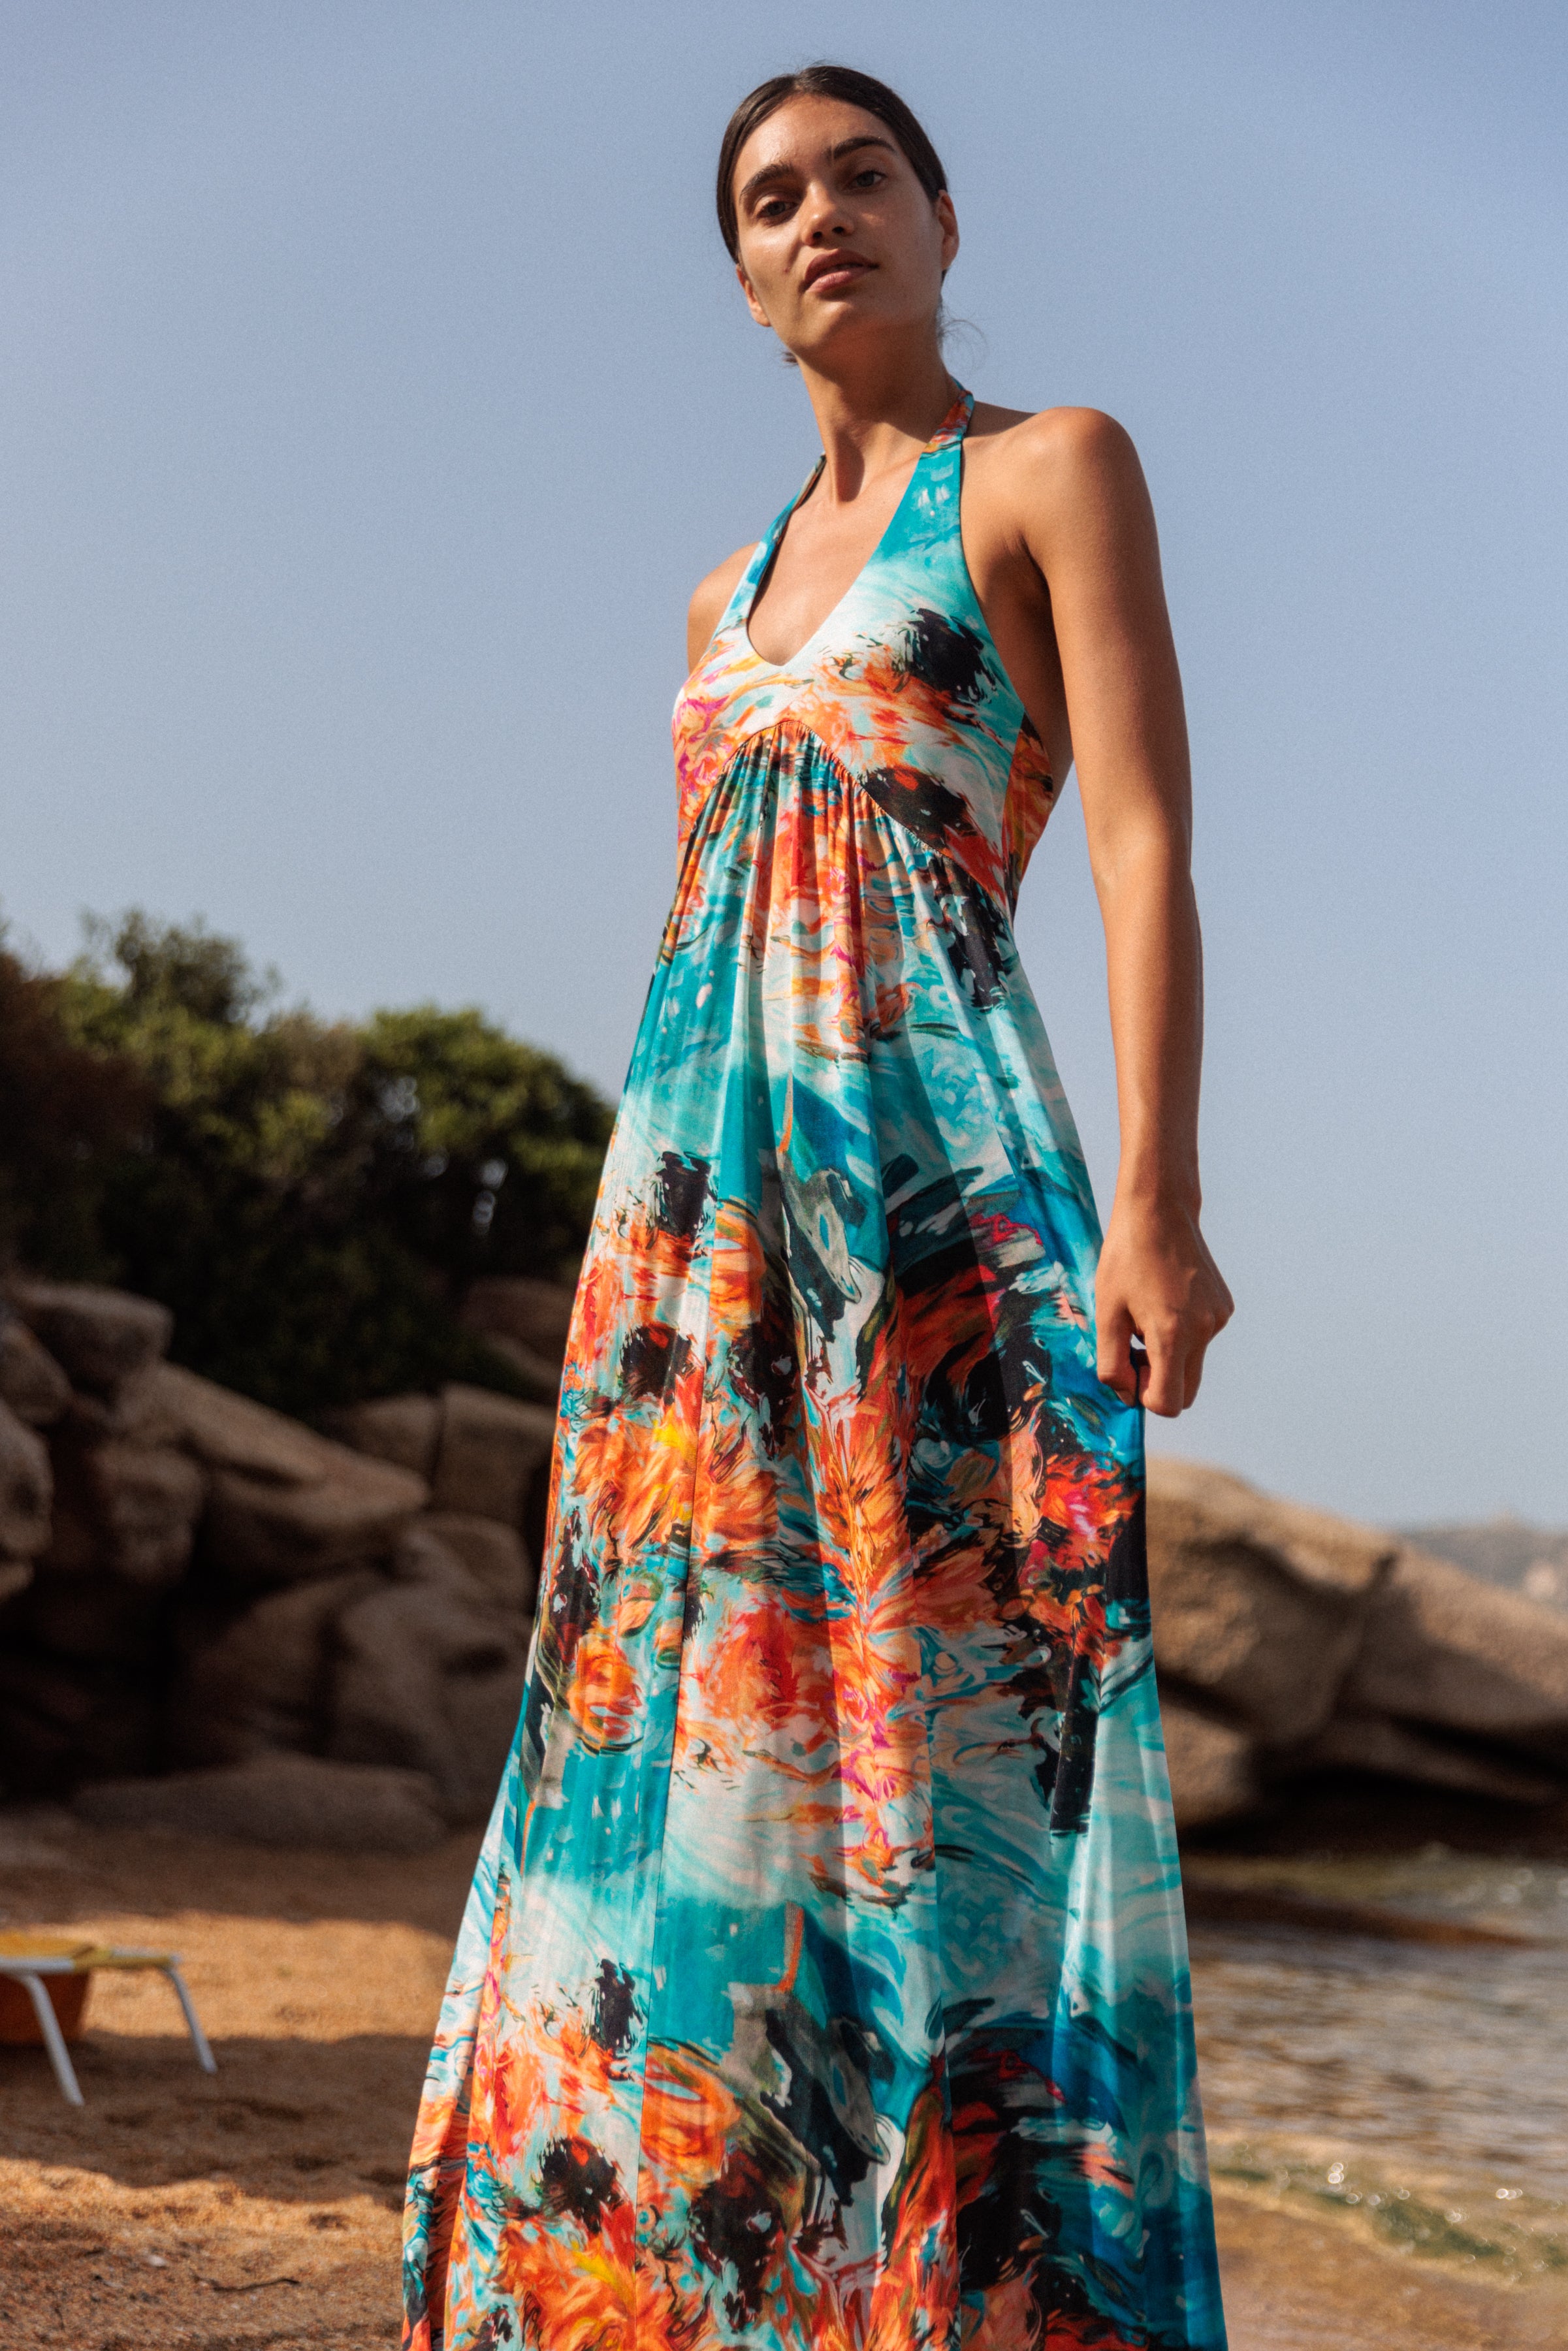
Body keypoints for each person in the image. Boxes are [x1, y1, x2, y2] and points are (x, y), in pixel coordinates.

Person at [402, 61, 1232, 2351]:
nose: (819, 217)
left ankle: (957, 2297)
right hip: (690, 1234)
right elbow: (706, 937)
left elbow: (1140, 835)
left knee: (952, 1725)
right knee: (675, 1710)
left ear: (942, 215)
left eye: (861, 174)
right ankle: (683, 2283)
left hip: (936, 1198)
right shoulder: (715, 592)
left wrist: (1155, 1203)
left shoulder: (1050, 469)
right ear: (744, 277)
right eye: (769, 199)